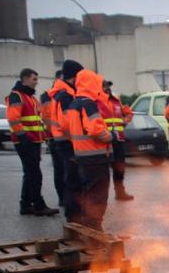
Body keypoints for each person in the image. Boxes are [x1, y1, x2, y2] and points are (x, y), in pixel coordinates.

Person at [64, 69, 113, 231]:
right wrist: (110, 136)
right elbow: (96, 130)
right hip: (96, 158)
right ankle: (95, 231)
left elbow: (68, 129)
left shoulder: (74, 103)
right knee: (98, 196)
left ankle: (88, 227)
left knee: (88, 194)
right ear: (92, 83)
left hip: (83, 157)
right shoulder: (88, 103)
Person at [6, 68, 58, 216]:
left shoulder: (30, 98)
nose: (37, 82)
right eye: (34, 79)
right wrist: (23, 138)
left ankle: (26, 204)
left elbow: (37, 120)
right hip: (25, 141)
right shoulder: (17, 96)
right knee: (34, 174)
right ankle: (38, 205)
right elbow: (13, 119)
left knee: (30, 173)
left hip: (33, 141)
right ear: (25, 79)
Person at [47, 61, 83, 220]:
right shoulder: (65, 95)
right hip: (67, 143)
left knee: (72, 177)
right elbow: (67, 123)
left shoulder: (64, 93)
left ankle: (74, 214)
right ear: (74, 76)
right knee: (72, 179)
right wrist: (78, 139)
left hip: (64, 141)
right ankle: (73, 217)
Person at [100, 80, 135, 201]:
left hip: (118, 140)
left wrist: (127, 119)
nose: (108, 88)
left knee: (119, 168)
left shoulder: (116, 101)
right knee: (102, 172)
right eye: (105, 86)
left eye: (109, 86)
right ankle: (99, 198)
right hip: (103, 141)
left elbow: (129, 112)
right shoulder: (97, 102)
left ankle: (120, 192)